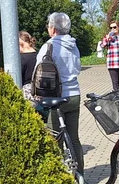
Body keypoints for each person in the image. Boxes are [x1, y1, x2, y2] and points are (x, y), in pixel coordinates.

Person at [36, 12, 84, 173]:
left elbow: (38, 72)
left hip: (55, 97)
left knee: (55, 139)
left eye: (49, 26)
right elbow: (77, 68)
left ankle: (58, 176)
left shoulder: (48, 46)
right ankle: (79, 175)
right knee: (74, 138)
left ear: (53, 29)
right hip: (74, 95)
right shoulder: (73, 45)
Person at [100, 21, 119, 91]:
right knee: (115, 84)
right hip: (112, 63)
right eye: (111, 27)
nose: (112, 29)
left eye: (114, 27)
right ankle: (118, 100)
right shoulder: (108, 37)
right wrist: (107, 38)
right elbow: (102, 45)